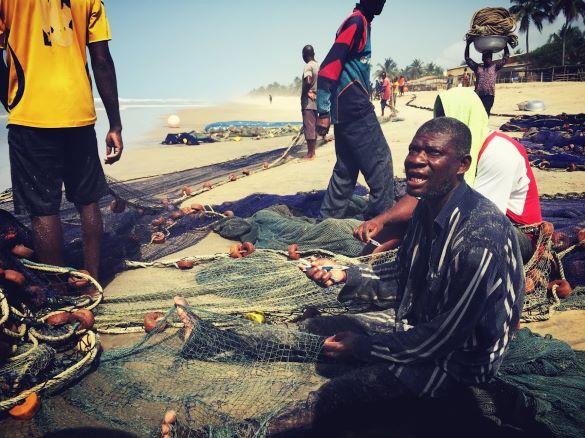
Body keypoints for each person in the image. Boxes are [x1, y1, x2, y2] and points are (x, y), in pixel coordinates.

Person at [163, 117, 525, 435]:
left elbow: (444, 338)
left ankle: (227, 434)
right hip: (419, 324)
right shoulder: (427, 209)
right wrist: (347, 278)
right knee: (321, 330)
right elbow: (404, 281)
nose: (416, 160)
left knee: (339, 394)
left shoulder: (480, 239)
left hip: (460, 361)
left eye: (432, 153)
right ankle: (214, 340)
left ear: (461, 164)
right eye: (414, 150)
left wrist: (367, 347)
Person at [0, 0, 123, 280]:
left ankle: (59, 288)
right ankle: (92, 278)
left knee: (43, 208)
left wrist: (10, 100)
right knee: (87, 201)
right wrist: (115, 124)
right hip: (78, 113)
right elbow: (102, 61)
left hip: (32, 116)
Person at [355, 87, 541, 262]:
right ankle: (365, 263)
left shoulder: (499, 153)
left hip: (512, 232)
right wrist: (381, 220)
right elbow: (420, 196)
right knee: (413, 220)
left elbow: (484, 220)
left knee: (427, 227)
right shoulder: (449, 153)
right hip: (470, 218)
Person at [316, 0, 394, 220]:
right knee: (381, 164)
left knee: (346, 169)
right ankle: (381, 223)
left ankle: (327, 221)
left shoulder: (361, 22)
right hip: (355, 107)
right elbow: (328, 67)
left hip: (345, 110)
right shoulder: (356, 23)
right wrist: (322, 111)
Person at [465, 40, 509, 116]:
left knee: (485, 114)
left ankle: (483, 127)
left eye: (489, 57)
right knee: (477, 114)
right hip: (478, 95)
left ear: (491, 59)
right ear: (483, 59)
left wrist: (505, 44)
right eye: (486, 57)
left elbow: (506, 58)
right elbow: (467, 58)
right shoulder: (477, 67)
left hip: (489, 95)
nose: (488, 59)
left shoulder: (495, 67)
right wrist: (468, 45)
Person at [300, 45, 320, 159]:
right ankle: (312, 152)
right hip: (317, 100)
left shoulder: (308, 66)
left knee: (309, 126)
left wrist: (305, 92)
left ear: (304, 55)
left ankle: (310, 154)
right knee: (314, 126)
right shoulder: (318, 65)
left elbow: (308, 81)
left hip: (308, 102)